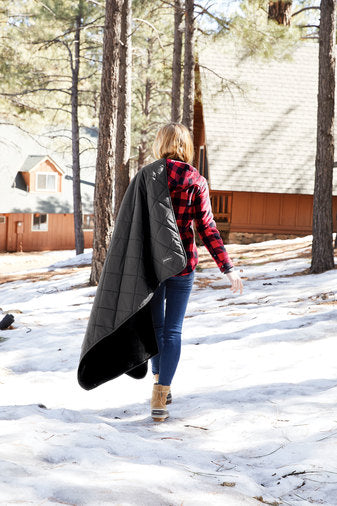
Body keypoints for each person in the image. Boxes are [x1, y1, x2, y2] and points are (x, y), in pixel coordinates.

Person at [149, 123, 243, 422]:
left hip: (151, 265)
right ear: (186, 146)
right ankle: (161, 394)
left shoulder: (148, 177)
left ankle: (158, 378)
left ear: (161, 143)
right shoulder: (195, 180)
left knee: (155, 328)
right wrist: (227, 267)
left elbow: (133, 224)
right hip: (182, 263)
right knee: (173, 330)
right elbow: (207, 228)